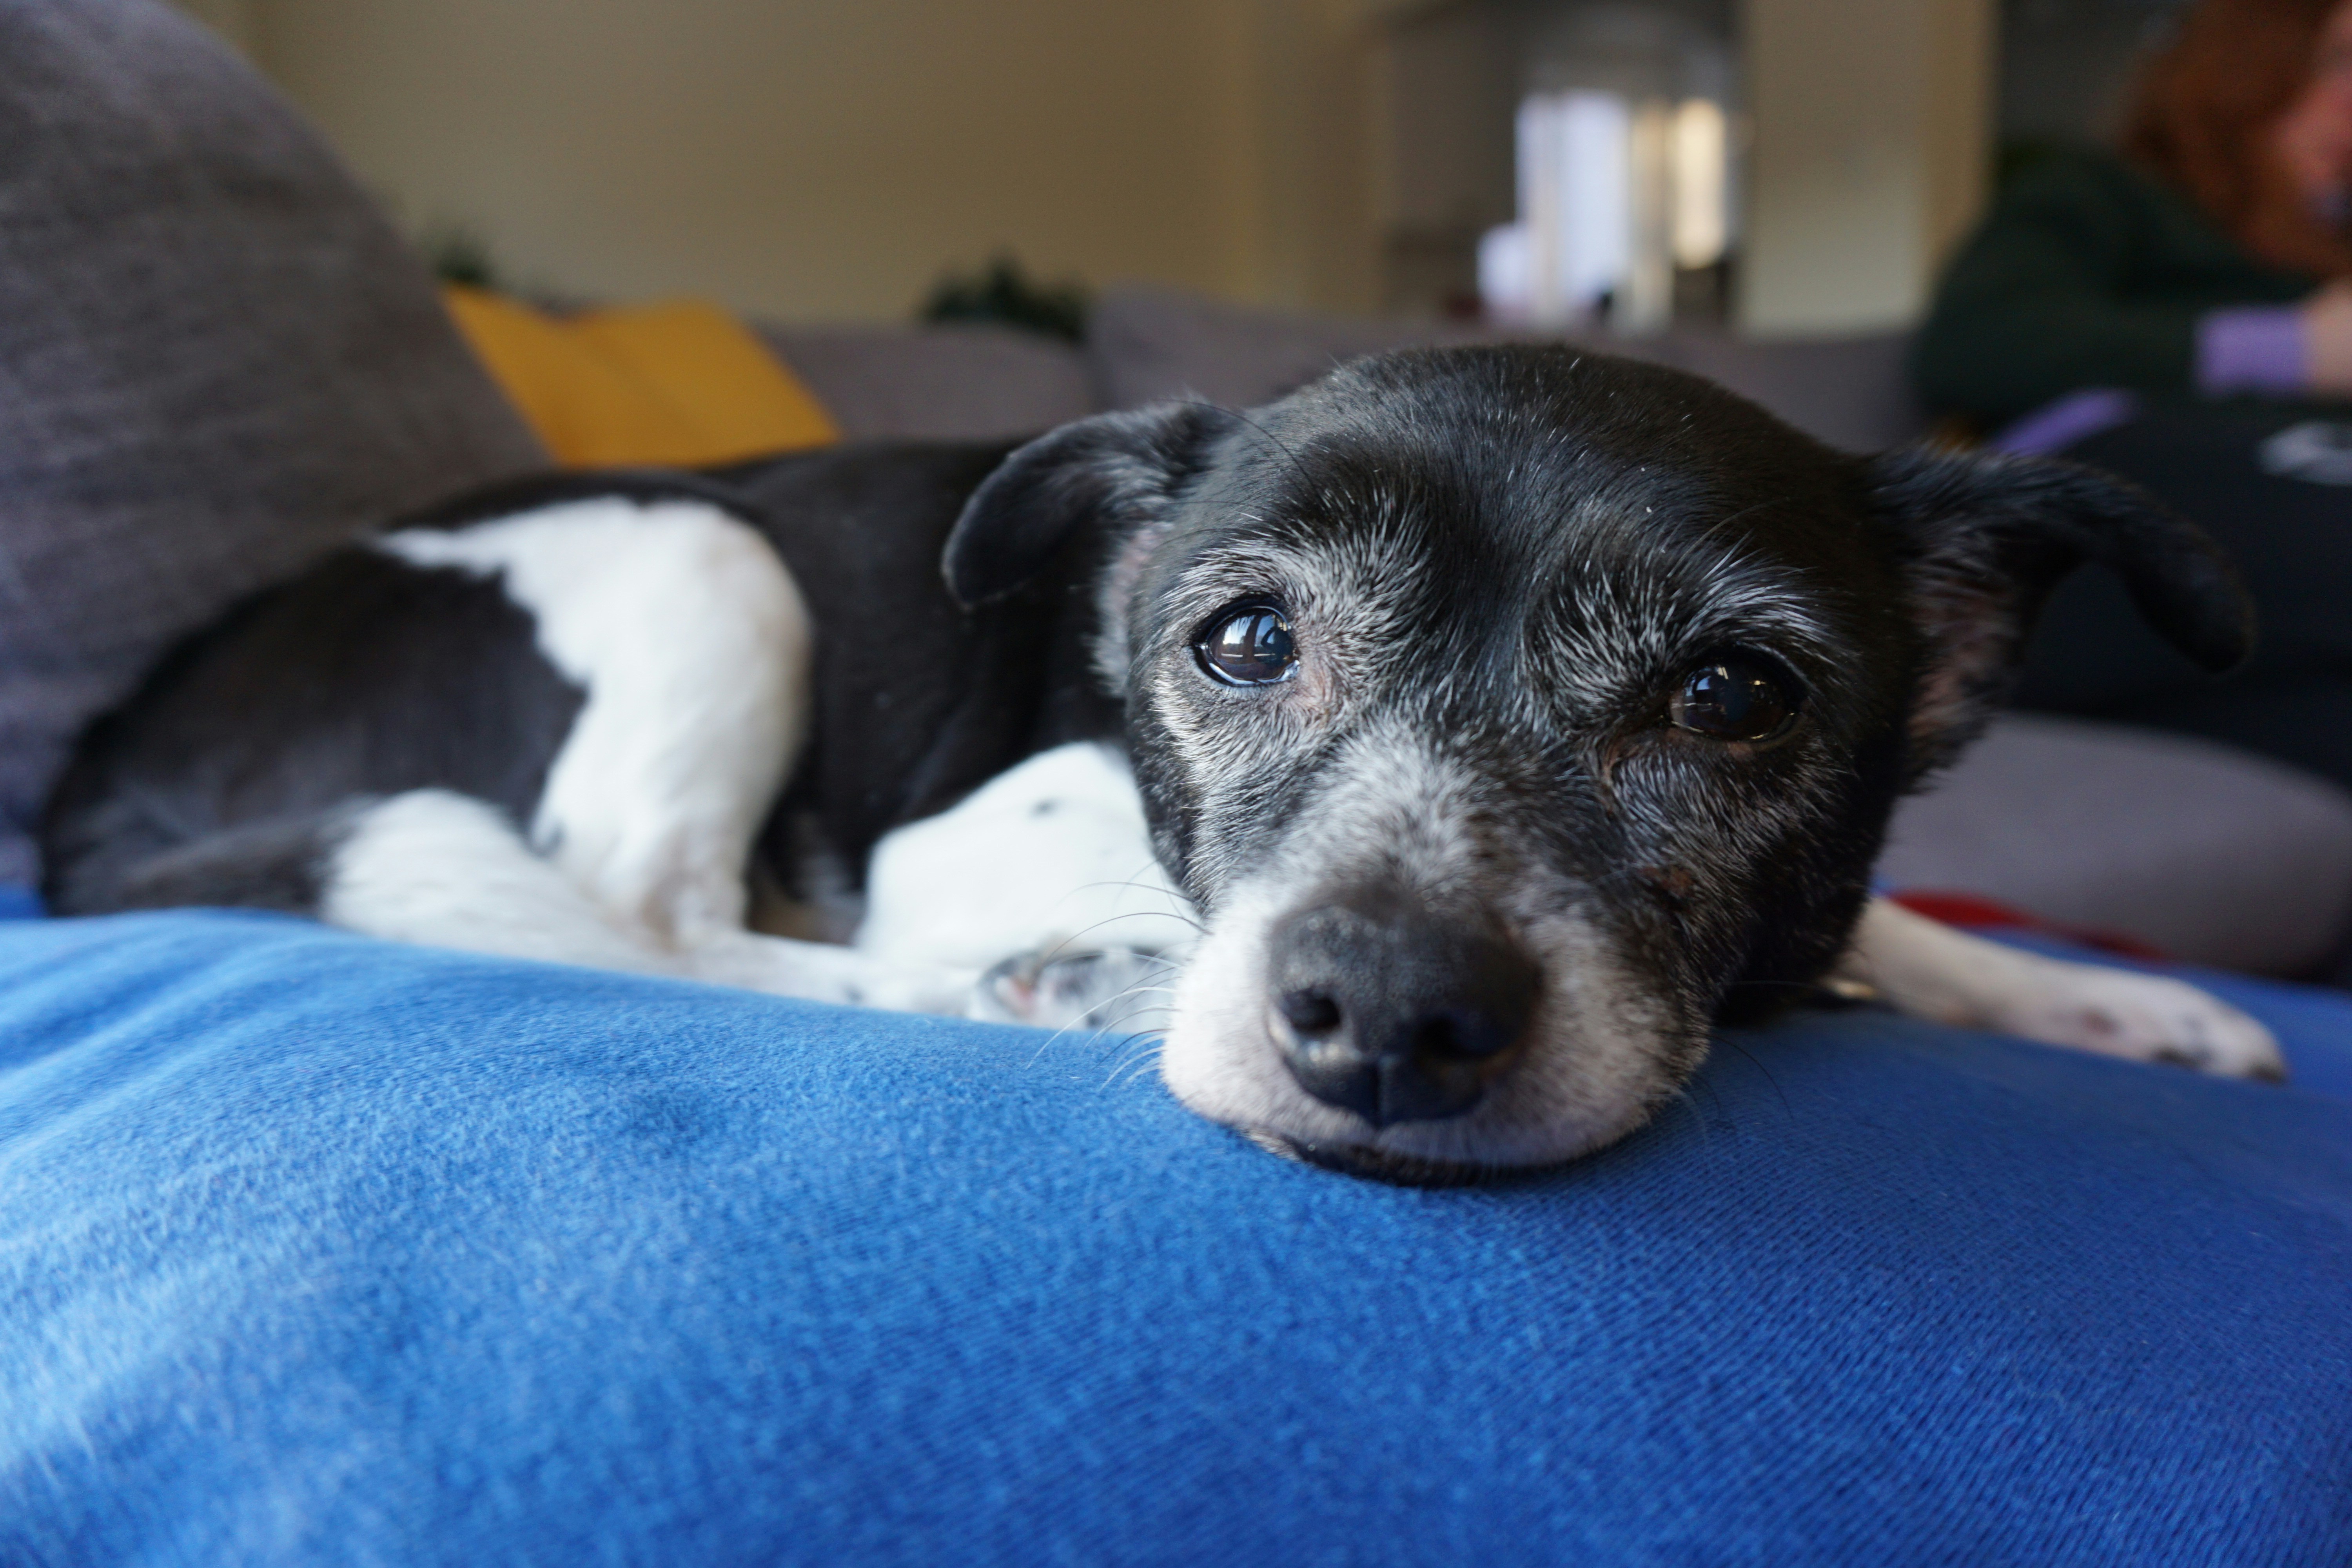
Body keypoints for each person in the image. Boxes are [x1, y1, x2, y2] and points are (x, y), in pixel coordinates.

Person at [1913, 0, 2352, 792]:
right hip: (2104, 500)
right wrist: (2293, 348)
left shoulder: (2327, 251)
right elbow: (1975, 345)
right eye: (2339, 62)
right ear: (2248, 71)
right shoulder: (2106, 197)